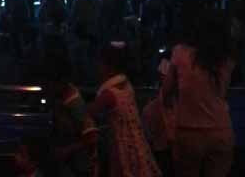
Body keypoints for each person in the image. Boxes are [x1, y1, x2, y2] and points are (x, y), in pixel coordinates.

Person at [163, 10, 236, 177]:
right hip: (221, 130)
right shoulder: (227, 58)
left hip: (188, 131)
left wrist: (170, 123)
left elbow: (167, 92)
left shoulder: (180, 52)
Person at [90, 42, 161, 177]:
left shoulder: (109, 93)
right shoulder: (126, 85)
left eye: (99, 63)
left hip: (122, 143)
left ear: (107, 66)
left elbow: (89, 112)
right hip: (136, 140)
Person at [45, 49, 99, 177]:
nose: (47, 87)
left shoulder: (75, 104)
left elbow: (92, 138)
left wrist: (66, 151)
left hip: (81, 168)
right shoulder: (62, 99)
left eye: (50, 83)